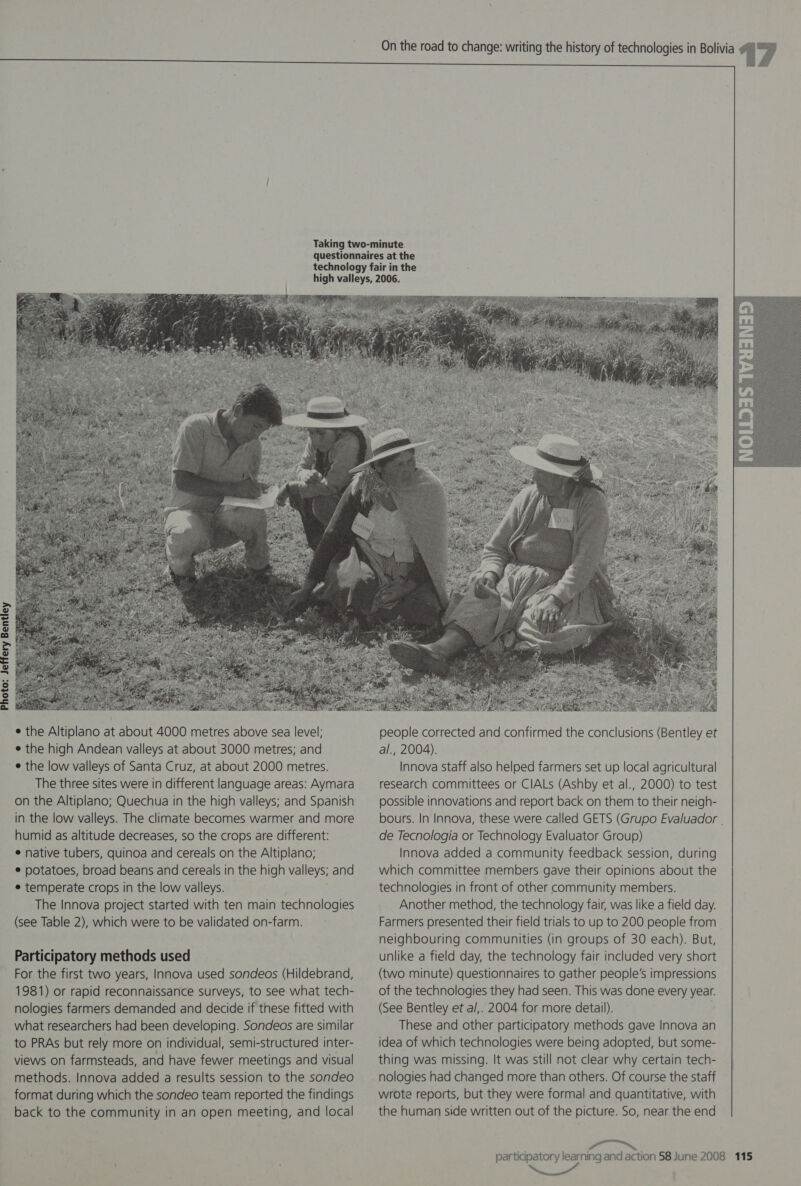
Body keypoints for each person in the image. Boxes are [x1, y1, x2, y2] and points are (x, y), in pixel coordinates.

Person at [388, 433, 615, 676]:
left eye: (542, 471)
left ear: (563, 478)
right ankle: (436, 651)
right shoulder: (528, 496)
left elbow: (585, 563)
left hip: (565, 586)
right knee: (480, 601)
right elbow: (497, 547)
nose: (534, 475)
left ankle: (510, 632)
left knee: (542, 626)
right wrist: (490, 573)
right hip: (515, 577)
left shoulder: (590, 502)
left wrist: (555, 599)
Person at [286, 428, 448, 626]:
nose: (407, 469)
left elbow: (433, 547)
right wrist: (306, 587)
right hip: (369, 557)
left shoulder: (427, 488)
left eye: (410, 461)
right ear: (380, 468)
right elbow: (333, 534)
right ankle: (349, 597)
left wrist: (407, 585)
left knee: (428, 610)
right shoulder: (363, 487)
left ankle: (375, 607)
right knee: (353, 586)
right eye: (398, 465)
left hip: (412, 566)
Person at [164, 384, 282, 586]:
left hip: (226, 517)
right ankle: (181, 572)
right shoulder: (196, 427)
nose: (256, 435)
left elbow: (246, 484)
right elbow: (182, 480)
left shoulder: (253, 445)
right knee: (186, 535)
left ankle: (259, 568)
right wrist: (233, 489)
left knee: (255, 516)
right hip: (190, 512)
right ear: (238, 410)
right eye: (255, 426)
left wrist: (257, 490)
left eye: (262, 430)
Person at [276, 395, 369, 548]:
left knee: (321, 503)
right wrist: (305, 475)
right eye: (310, 432)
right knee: (302, 495)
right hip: (342, 497)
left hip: (368, 512)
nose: (314, 439)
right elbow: (302, 466)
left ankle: (346, 548)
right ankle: (320, 545)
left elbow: (331, 487)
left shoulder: (349, 443)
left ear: (339, 429)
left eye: (321, 433)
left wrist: (291, 487)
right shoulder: (316, 436)